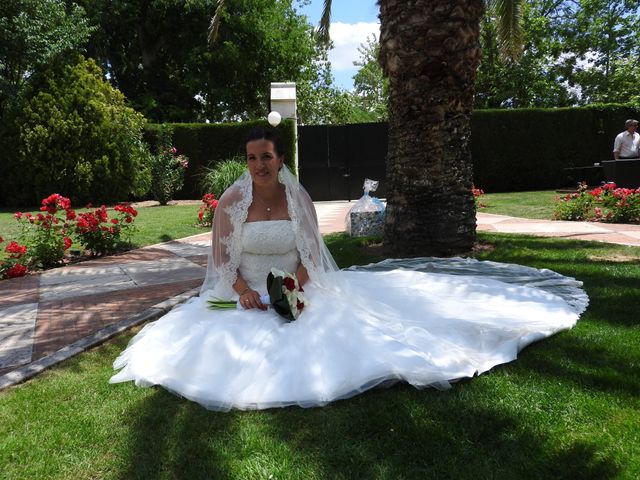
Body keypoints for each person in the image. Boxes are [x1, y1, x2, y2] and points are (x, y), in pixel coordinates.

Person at [110, 128, 588, 411]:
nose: (259, 164)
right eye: (252, 158)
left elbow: (310, 256)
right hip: (246, 289)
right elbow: (220, 260)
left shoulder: (299, 199)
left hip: (295, 284)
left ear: (281, 160)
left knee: (338, 331)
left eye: (267, 157)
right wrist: (242, 290)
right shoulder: (233, 202)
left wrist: (294, 285)